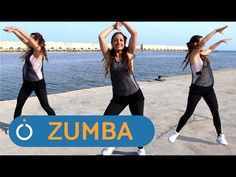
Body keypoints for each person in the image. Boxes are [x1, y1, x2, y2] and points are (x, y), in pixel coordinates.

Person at [168, 26, 230, 145]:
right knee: (189, 112)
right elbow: (204, 42)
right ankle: (175, 133)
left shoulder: (202, 54)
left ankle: (220, 135)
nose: (204, 45)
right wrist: (216, 31)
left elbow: (210, 48)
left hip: (208, 89)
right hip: (196, 89)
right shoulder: (194, 55)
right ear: (196, 44)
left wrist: (219, 42)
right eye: (201, 43)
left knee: (215, 111)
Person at [98, 22, 146, 155]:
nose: (118, 42)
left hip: (135, 95)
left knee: (138, 123)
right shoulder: (109, 57)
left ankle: (140, 148)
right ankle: (111, 145)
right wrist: (114, 26)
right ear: (112, 43)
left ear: (124, 43)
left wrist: (124, 22)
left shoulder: (129, 54)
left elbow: (134, 33)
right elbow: (101, 36)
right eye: (115, 40)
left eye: (120, 40)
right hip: (119, 97)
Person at [3, 26, 56, 120]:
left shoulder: (39, 51)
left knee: (45, 106)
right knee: (19, 104)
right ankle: (15, 125)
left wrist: (17, 28)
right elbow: (23, 38)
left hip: (38, 84)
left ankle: (56, 122)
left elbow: (27, 38)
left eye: (32, 39)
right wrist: (14, 31)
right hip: (27, 83)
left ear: (38, 41)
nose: (29, 40)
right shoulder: (32, 50)